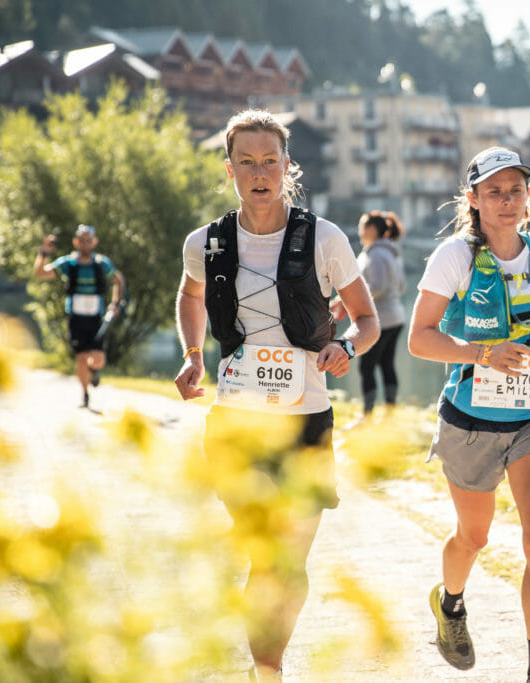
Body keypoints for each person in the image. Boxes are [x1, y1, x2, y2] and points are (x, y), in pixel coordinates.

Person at [172, 109, 379, 680]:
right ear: (230, 169)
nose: (259, 173)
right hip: (236, 422)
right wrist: (193, 354)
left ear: (288, 166)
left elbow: (366, 320)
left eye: (269, 161)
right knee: (267, 551)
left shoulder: (325, 238)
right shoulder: (206, 242)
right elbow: (190, 296)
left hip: (305, 421)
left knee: (286, 563)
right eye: (247, 162)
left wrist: (346, 347)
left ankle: (268, 666)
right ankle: (268, 671)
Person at [407, 147, 530, 683]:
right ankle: (450, 602)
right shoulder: (455, 258)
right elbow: (419, 339)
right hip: (470, 421)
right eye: (494, 191)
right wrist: (482, 353)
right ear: (473, 199)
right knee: (473, 537)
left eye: (516, 189)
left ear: (529, 196)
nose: (506, 200)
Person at [34, 224, 126, 408]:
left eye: (88, 241)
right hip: (76, 319)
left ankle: (94, 369)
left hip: (96, 319)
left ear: (94, 242)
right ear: (76, 242)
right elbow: (40, 273)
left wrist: (115, 303)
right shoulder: (69, 264)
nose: (85, 244)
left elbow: (118, 280)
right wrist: (44, 253)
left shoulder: (101, 264)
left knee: (98, 359)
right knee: (81, 357)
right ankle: (85, 394)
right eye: (82, 241)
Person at [333, 211, 407, 420]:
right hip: (396, 317)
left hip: (380, 321)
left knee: (367, 367)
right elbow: (401, 286)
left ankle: (367, 417)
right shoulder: (392, 252)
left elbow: (377, 286)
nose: (359, 231)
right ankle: (389, 415)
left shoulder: (375, 254)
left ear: (372, 230)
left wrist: (349, 300)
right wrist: (345, 301)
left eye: (362, 226)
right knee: (387, 365)